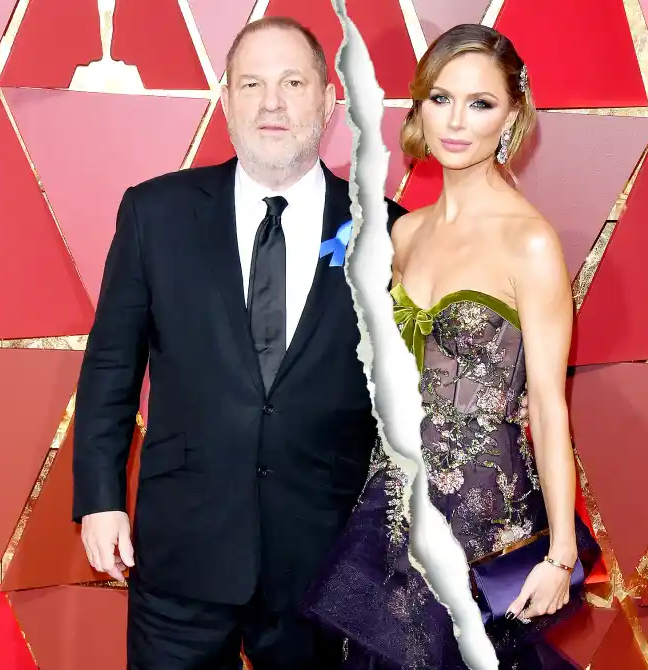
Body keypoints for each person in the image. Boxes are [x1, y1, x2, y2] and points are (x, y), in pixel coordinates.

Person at [71, 17, 410, 670]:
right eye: (251, 83)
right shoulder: (155, 214)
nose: (271, 102)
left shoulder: (390, 231)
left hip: (325, 562)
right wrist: (101, 498)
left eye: (292, 82)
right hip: (180, 555)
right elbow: (112, 364)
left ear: (329, 100)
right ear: (226, 100)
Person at [303, 24, 599, 669]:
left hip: (485, 514)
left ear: (512, 114)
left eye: (481, 103)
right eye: (441, 98)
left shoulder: (530, 242)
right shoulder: (404, 232)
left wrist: (559, 554)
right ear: (418, 107)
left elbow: (549, 407)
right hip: (394, 503)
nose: (457, 121)